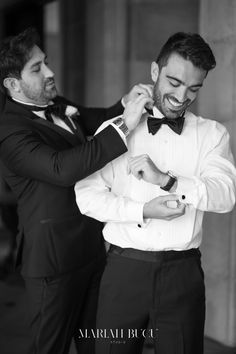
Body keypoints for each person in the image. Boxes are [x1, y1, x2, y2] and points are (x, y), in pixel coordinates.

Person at [75, 32, 236, 354]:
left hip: (182, 273)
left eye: (193, 88)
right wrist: (142, 211)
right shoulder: (116, 129)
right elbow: (86, 196)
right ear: (154, 72)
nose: (181, 96)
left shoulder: (213, 134)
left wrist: (168, 181)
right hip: (123, 270)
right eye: (174, 83)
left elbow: (225, 196)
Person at [0, 27, 154, 354]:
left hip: (91, 247)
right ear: (13, 85)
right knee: (51, 347)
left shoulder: (57, 103)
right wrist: (126, 125)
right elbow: (62, 168)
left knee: (97, 345)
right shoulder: (9, 132)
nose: (50, 72)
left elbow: (95, 119)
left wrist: (126, 103)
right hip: (51, 263)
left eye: (46, 62)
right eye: (37, 68)